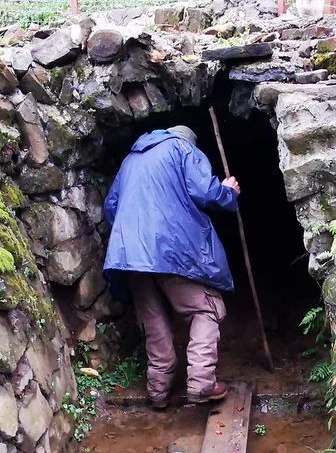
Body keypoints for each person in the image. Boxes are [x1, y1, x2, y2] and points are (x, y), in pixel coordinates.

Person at [103, 124, 241, 409]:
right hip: (171, 248)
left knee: (153, 320)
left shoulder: (131, 159)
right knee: (206, 308)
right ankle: (202, 383)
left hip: (131, 256)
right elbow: (205, 191)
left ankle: (158, 390)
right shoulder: (182, 148)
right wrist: (228, 191)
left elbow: (111, 207)